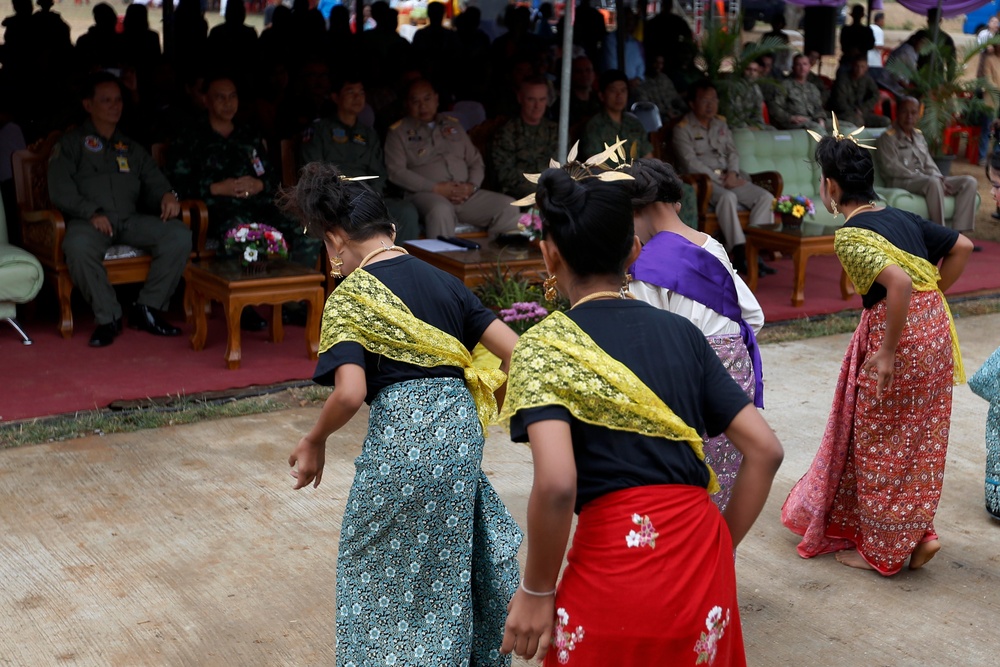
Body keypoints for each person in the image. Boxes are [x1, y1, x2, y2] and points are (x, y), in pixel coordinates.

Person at [498, 166, 783, 664]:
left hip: (613, 562)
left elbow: (559, 483)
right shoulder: (684, 335)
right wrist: (719, 545)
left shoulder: (545, 347)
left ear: (550, 254)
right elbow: (765, 450)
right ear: (633, 250)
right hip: (700, 555)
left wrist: (537, 591)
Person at [283, 162, 522, 666]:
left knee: (371, 573)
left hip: (402, 440)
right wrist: (488, 411)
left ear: (335, 242)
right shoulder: (447, 283)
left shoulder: (349, 298)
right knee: (444, 576)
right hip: (460, 442)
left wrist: (315, 439)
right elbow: (515, 353)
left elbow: (350, 393)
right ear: (392, 232)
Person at [782, 126, 974, 575]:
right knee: (915, 438)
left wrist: (886, 352)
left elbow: (899, 283)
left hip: (899, 335)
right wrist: (934, 295)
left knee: (879, 438)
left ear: (830, 186)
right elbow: (961, 246)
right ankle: (920, 533)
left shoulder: (850, 235)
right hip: (935, 330)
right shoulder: (900, 218)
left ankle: (884, 551)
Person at [623, 158, 765, 511]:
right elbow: (754, 317)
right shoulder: (712, 246)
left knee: (679, 490)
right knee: (719, 483)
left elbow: (647, 344)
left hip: (688, 382)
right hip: (735, 380)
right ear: (676, 202)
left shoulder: (645, 265)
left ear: (640, 210)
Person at [48, 72, 191, 348]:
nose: (115, 106)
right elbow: (60, 190)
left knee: (177, 234)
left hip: (129, 219)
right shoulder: (70, 144)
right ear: (88, 105)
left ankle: (147, 309)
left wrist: (168, 196)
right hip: (89, 221)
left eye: (118, 100)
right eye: (106, 101)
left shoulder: (130, 147)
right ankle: (108, 317)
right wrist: (91, 211)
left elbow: (154, 179)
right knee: (77, 247)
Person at [167, 74, 319, 331]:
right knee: (243, 230)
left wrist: (259, 184)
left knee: (303, 225)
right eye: (220, 97)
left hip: (257, 205)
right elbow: (176, 185)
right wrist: (215, 187)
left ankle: (291, 304)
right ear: (205, 100)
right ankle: (244, 304)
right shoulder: (191, 136)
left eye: (232, 96)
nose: (228, 103)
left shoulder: (248, 134)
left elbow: (271, 178)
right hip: (217, 210)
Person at [385, 79, 521, 238]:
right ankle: (441, 262)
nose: (422, 106)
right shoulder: (398, 132)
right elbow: (396, 171)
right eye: (415, 101)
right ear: (407, 104)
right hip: (426, 194)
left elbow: (475, 161)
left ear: (436, 99)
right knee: (441, 210)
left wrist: (472, 186)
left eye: (427, 99)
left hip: (465, 194)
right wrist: (435, 188)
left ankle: (495, 259)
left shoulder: (453, 126)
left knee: (508, 206)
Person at [299, 73, 420, 242]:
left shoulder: (368, 133)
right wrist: (335, 194)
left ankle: (399, 265)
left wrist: (370, 196)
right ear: (335, 97)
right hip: (332, 199)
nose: (357, 97)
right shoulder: (320, 130)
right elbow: (313, 170)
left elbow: (379, 173)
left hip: (366, 195)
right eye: (350, 92)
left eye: (361, 92)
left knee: (405, 211)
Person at [673, 80, 776, 274]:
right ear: (692, 104)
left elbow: (732, 152)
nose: (710, 104)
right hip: (705, 183)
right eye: (705, 100)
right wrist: (720, 179)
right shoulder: (682, 128)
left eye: (713, 99)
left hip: (730, 177)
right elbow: (690, 163)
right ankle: (740, 252)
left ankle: (754, 252)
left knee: (766, 198)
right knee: (728, 197)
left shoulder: (721, 123)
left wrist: (733, 173)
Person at [875, 97, 978, 232]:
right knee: (932, 182)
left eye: (913, 113)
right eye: (905, 112)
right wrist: (922, 177)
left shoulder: (918, 136)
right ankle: (940, 233)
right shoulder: (888, 138)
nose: (909, 117)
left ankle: (958, 234)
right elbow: (891, 168)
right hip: (901, 181)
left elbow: (928, 162)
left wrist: (939, 177)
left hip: (925, 180)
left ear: (919, 115)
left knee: (969, 182)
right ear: (897, 113)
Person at [492, 76, 560, 200]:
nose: (537, 106)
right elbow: (506, 176)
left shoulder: (556, 131)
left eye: (542, 99)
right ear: (520, 98)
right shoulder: (507, 132)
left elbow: (561, 166)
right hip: (520, 197)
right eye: (531, 99)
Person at [579, 69, 652, 164]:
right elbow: (594, 166)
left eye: (623, 90)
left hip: (638, 176)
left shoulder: (634, 123)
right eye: (613, 91)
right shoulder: (594, 126)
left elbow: (649, 158)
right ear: (602, 96)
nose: (619, 96)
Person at [769, 54, 827, 132]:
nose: (802, 68)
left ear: (809, 66)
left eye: (805, 64)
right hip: (792, 122)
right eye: (798, 65)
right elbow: (775, 107)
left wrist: (821, 119)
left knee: (842, 127)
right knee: (817, 129)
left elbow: (819, 108)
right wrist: (790, 118)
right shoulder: (785, 85)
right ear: (793, 67)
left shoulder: (812, 88)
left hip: (812, 120)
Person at [827, 57, 890, 129]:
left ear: (866, 68)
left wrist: (863, 109)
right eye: (857, 66)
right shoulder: (843, 79)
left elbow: (875, 95)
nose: (859, 69)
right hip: (843, 114)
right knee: (856, 121)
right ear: (852, 66)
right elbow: (840, 102)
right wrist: (854, 113)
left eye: (862, 67)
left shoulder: (867, 79)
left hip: (861, 113)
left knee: (885, 121)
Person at [839, 4, 874, 75]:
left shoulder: (846, 30)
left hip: (858, 61)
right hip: (850, 60)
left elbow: (870, 45)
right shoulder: (866, 30)